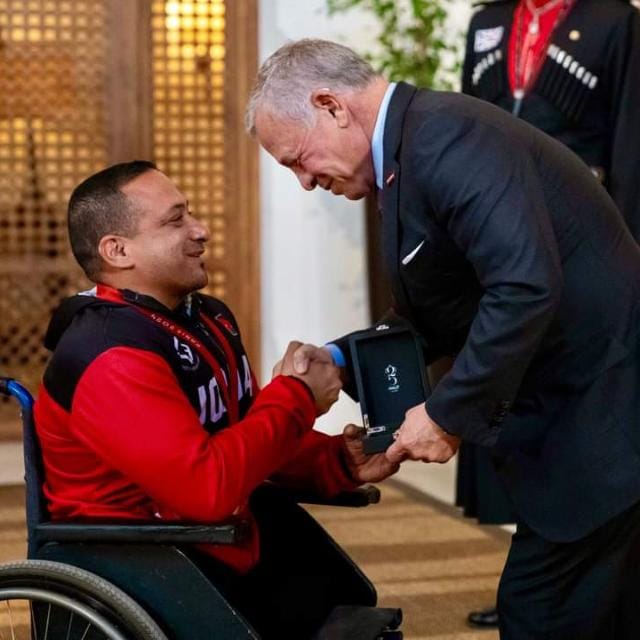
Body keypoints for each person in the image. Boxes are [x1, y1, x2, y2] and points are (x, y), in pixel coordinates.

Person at [246, 38, 640, 639]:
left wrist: (444, 413)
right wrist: (339, 360)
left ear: (331, 106)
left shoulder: (448, 139)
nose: (304, 181)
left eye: (297, 159)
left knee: (540, 613)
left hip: (605, 413)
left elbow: (523, 287)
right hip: (590, 416)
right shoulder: (417, 144)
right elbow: (441, 309)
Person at [34, 160, 399, 639]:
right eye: (175, 221)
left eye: (190, 213)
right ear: (118, 251)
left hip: (212, 534)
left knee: (352, 608)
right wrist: (296, 396)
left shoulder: (207, 317)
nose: (200, 230)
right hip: (140, 550)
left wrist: (335, 461)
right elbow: (206, 488)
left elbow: (242, 434)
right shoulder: (108, 354)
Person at [459, 0, 640, 626]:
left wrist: (625, 251)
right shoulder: (487, 23)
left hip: (582, 241)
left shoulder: (614, 22)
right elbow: (463, 133)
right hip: (498, 242)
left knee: (581, 418)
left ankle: (585, 582)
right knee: (514, 409)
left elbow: (629, 139)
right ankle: (529, 564)